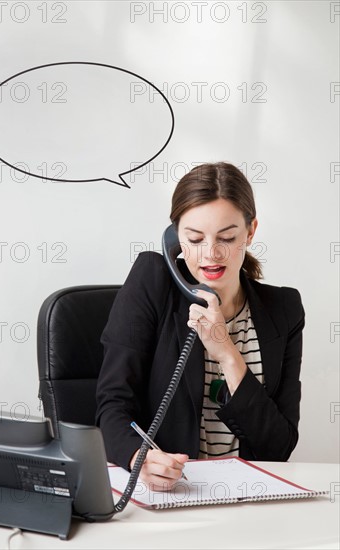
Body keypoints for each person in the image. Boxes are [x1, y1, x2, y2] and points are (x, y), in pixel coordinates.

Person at [96, 162, 305, 490]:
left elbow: (278, 449)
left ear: (250, 231)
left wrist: (227, 355)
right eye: (194, 238)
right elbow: (112, 403)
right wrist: (140, 460)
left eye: (227, 237)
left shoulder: (284, 309)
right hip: (172, 493)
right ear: (175, 237)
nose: (211, 254)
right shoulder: (152, 283)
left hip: (248, 498)